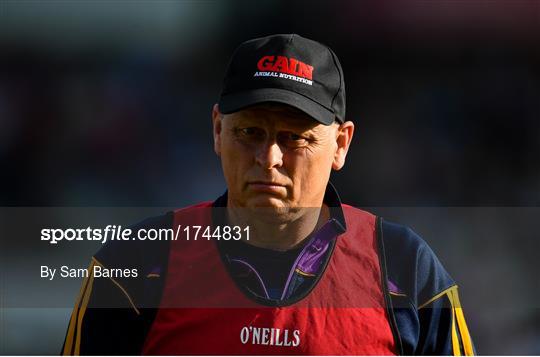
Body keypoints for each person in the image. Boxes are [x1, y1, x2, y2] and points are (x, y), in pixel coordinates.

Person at [62, 34, 475, 355]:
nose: (269, 157)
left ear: (341, 145)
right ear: (218, 130)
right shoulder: (136, 264)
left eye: (295, 137)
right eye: (250, 132)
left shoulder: (406, 270)